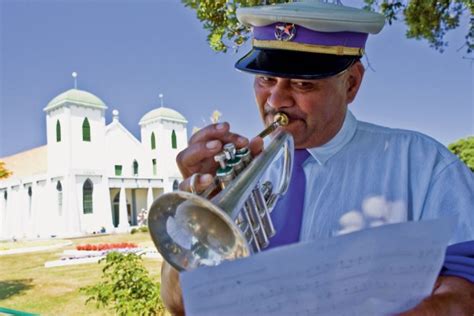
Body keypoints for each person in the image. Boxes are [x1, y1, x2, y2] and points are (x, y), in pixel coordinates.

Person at [160, 2, 474, 315]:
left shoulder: (425, 165)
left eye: (301, 83)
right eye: (265, 80)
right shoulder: (234, 172)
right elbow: (179, 304)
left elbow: (465, 292)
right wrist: (194, 211)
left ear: (351, 83)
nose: (276, 101)